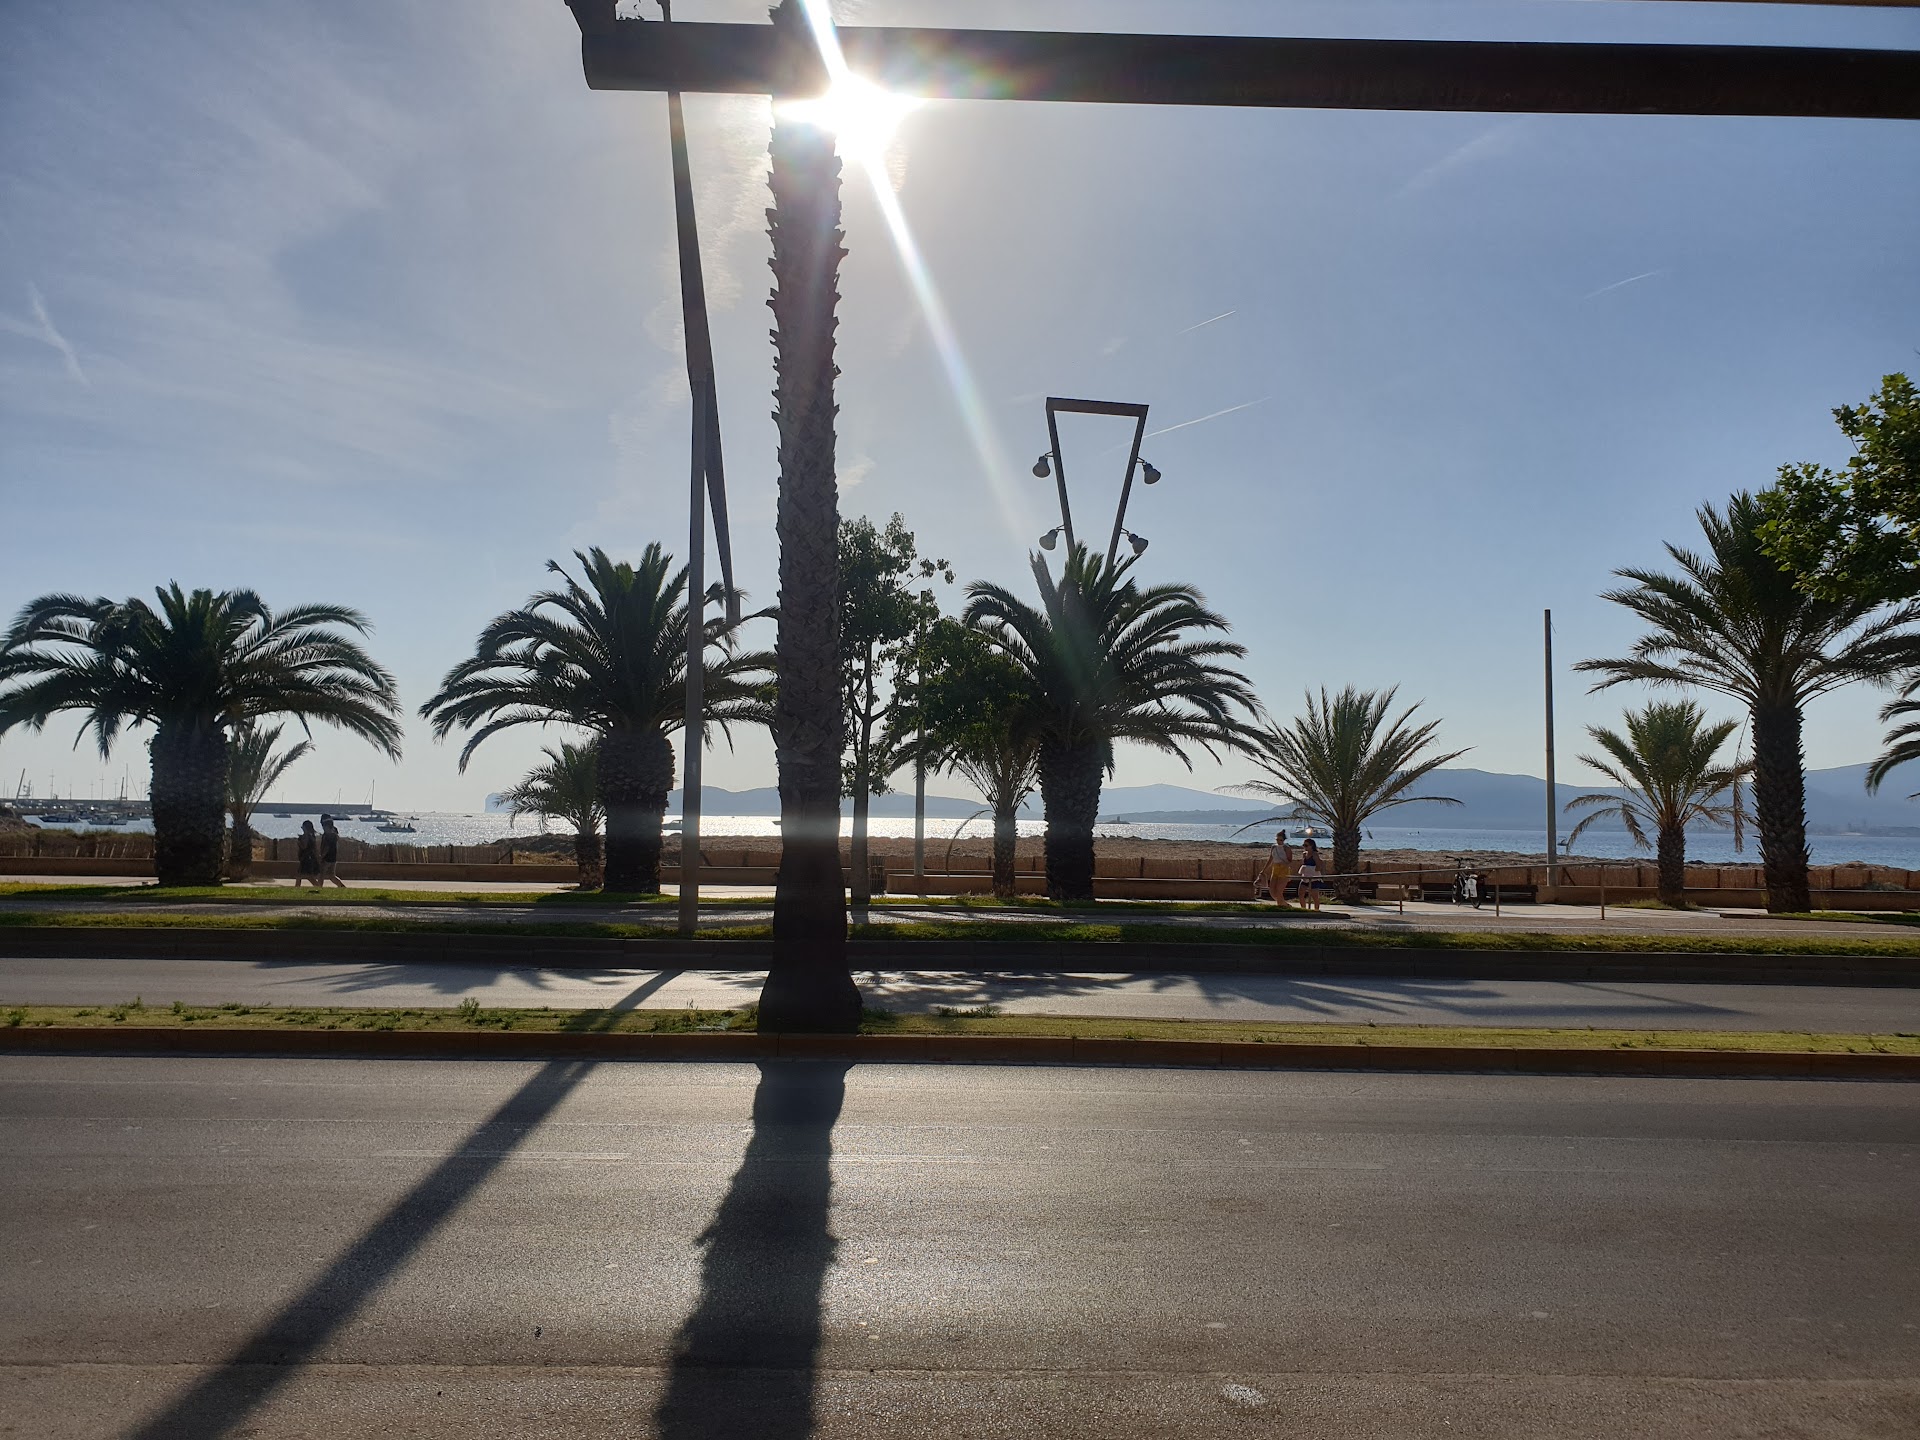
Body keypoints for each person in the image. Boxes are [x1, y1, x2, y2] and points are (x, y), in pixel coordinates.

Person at [1258, 829, 1294, 905]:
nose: (1278, 841)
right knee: (1272, 890)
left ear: (1283, 840)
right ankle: (1283, 904)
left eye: (1280, 840)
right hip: (1275, 867)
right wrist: (1264, 870)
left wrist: (1284, 864)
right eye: (1277, 839)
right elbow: (1270, 859)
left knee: (1279, 890)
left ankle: (1281, 905)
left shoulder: (1286, 848)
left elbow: (1290, 860)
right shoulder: (1274, 847)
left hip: (1284, 868)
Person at [318, 814, 346, 888]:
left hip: (327, 857)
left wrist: (322, 856)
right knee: (331, 875)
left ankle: (319, 887)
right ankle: (341, 886)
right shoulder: (334, 833)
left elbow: (327, 847)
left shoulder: (328, 835)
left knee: (321, 874)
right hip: (333, 857)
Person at [1297, 833, 1323, 911]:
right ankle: (1303, 909)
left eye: (1306, 845)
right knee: (1301, 893)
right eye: (1304, 845)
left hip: (1313, 877)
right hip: (1305, 876)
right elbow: (1303, 864)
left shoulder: (1315, 855)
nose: (1304, 847)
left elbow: (1318, 865)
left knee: (1314, 896)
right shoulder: (1304, 854)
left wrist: (1313, 872)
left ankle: (1316, 910)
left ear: (1311, 846)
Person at [295, 821, 321, 889]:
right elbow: (315, 848)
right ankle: (297, 888)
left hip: (306, 858)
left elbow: (304, 846)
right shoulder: (312, 836)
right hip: (310, 857)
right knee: (301, 875)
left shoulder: (306, 836)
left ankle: (318, 887)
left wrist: (299, 843)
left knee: (306, 875)